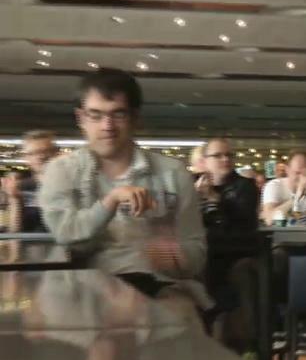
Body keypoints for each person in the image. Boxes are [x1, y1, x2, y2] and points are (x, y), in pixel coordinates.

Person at [39, 68, 212, 322]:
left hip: (160, 285)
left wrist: (173, 253)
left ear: (134, 117)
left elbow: (197, 253)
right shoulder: (62, 171)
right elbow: (66, 233)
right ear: (81, 118)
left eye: (118, 114)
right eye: (96, 115)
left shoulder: (172, 173)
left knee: (178, 316)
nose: (107, 126)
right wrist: (110, 202)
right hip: (87, 288)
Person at [195, 138, 261, 352]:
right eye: (218, 155)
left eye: (229, 155)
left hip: (236, 253)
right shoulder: (193, 187)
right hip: (205, 254)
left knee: (237, 274)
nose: (225, 159)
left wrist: (214, 200)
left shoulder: (245, 187)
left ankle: (248, 347)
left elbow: (240, 225)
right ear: (205, 161)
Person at [2, 130, 59, 233]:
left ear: (55, 153)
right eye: (34, 153)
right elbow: (13, 233)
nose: (41, 157)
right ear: (26, 157)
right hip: (28, 243)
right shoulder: (19, 187)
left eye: (46, 151)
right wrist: (15, 200)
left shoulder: (71, 185)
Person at [261, 150, 306, 226]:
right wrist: (298, 195)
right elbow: (269, 220)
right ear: (287, 170)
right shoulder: (274, 186)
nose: (302, 177)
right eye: (297, 173)